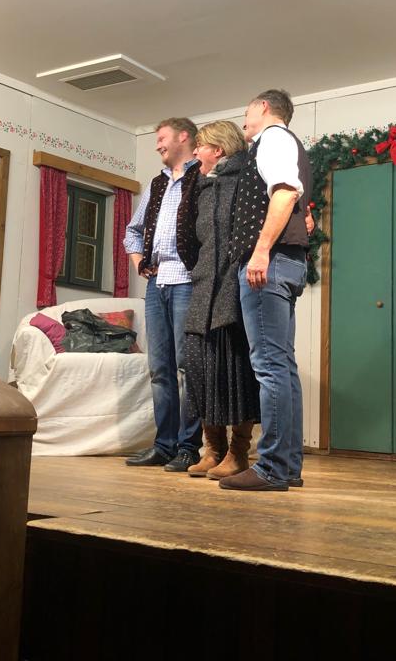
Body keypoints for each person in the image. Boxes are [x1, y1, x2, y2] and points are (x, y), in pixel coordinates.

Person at [219, 89, 311, 492]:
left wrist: (260, 251)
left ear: (263, 107)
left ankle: (272, 468)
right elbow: (296, 199)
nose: (244, 119)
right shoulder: (288, 144)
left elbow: (285, 192)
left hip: (269, 263)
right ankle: (286, 467)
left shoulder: (272, 138)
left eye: (246, 110)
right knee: (282, 366)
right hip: (286, 262)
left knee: (271, 367)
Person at [180, 121, 260, 480]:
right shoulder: (201, 186)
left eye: (201, 146)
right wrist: (198, 269)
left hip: (232, 285)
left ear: (219, 149)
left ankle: (238, 452)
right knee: (200, 367)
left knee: (235, 370)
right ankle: (212, 448)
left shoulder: (245, 180)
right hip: (202, 287)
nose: (196, 152)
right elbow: (190, 238)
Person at [123, 118, 203, 472]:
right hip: (156, 286)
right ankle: (164, 445)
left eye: (162, 138)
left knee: (187, 367)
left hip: (187, 281)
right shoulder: (157, 184)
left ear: (183, 136)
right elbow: (132, 231)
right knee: (160, 369)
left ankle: (189, 447)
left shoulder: (203, 177)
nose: (157, 144)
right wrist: (140, 262)